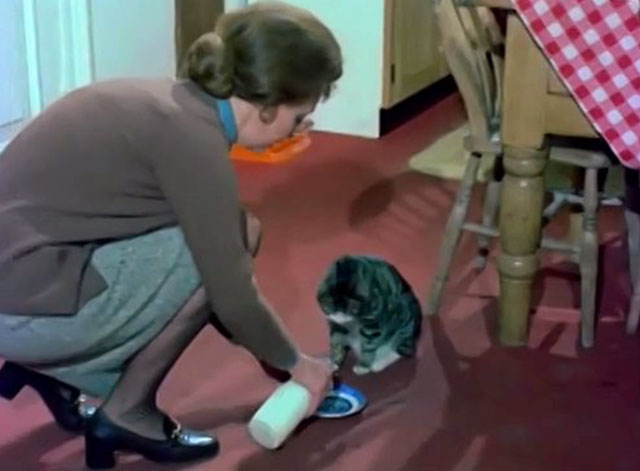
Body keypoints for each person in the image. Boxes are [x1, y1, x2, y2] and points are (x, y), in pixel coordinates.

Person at [0, 2, 342, 468]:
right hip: (20, 311)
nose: (303, 127)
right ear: (265, 108)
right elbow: (231, 294)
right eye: (299, 115)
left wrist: (272, 353)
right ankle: (126, 411)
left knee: (222, 233)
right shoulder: (193, 143)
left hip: (23, 277)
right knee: (235, 237)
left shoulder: (168, 102)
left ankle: (55, 374)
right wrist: (300, 366)